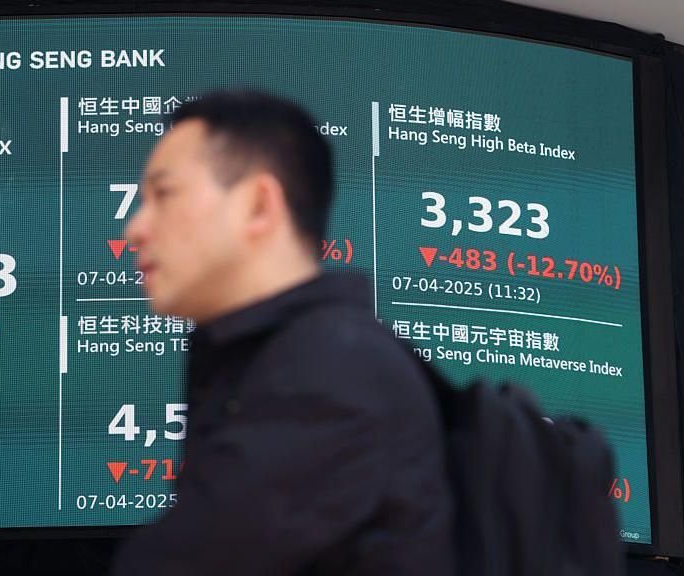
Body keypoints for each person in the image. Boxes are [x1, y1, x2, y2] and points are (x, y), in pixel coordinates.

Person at [111, 90, 455, 576]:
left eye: (163, 195)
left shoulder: (332, 371)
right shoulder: (288, 358)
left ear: (258, 205)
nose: (135, 228)